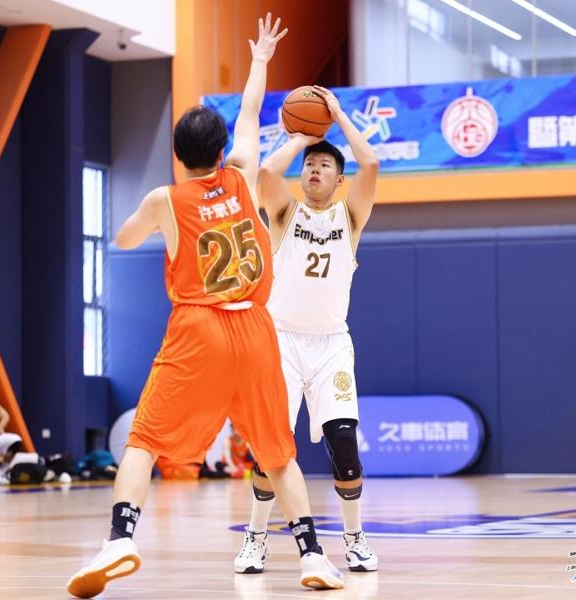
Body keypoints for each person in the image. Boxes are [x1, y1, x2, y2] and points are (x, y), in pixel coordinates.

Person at [66, 14, 344, 598]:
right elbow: (250, 113)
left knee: (143, 441)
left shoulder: (164, 199)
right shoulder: (242, 177)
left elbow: (122, 240)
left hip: (199, 327)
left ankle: (120, 538)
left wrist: (151, 221)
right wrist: (260, 60)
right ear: (220, 151)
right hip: (256, 329)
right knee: (278, 453)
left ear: (177, 154)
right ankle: (314, 556)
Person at [234, 87, 380, 575]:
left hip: (331, 344)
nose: (314, 169)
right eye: (310, 165)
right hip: (280, 342)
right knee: (271, 447)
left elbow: (372, 164)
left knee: (345, 445)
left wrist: (336, 116)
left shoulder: (350, 216)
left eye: (324, 165)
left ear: (339, 179)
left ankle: (354, 538)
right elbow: (266, 173)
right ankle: (256, 537)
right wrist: (301, 135)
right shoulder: (285, 213)